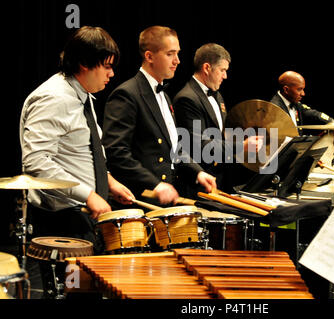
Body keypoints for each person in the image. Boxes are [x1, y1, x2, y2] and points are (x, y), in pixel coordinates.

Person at [19, 26, 134, 252]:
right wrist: (88, 194)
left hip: (81, 218)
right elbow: (36, 161)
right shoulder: (54, 98)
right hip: (62, 222)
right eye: (107, 66)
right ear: (84, 63)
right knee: (74, 287)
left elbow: (80, 152)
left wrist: (108, 182)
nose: (112, 74)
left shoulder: (82, 94)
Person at [102, 26, 216, 205]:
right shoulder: (127, 94)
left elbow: (174, 147)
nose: (177, 60)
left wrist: (197, 172)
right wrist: (154, 184)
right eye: (170, 54)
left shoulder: (165, 96)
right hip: (138, 202)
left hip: (165, 201)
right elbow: (116, 153)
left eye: (178, 53)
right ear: (149, 56)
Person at [173, 43, 262, 191]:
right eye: (222, 70)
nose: (225, 76)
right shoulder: (186, 98)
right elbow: (198, 146)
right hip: (200, 182)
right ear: (207, 68)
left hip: (220, 177)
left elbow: (220, 134)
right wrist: (241, 146)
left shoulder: (217, 95)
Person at [270, 71, 334, 148]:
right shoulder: (273, 109)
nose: (303, 94)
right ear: (286, 89)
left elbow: (314, 114)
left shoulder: (295, 103)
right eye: (299, 89)